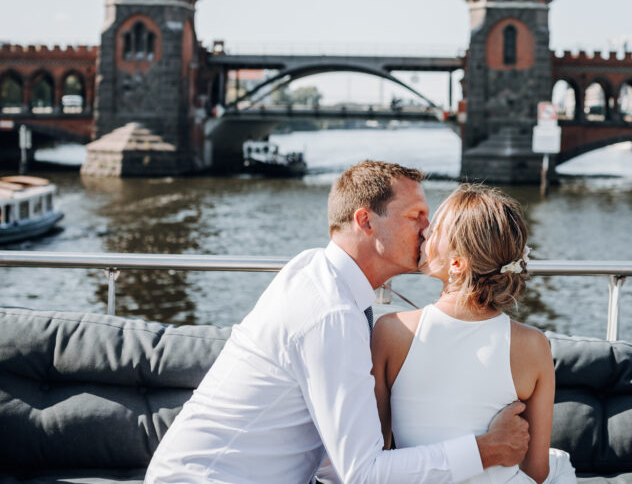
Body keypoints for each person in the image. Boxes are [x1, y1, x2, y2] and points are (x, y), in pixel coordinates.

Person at [146, 161, 530, 484]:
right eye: (416, 217)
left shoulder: (318, 272)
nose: (429, 231)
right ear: (365, 221)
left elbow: (338, 460)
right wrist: (487, 450)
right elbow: (362, 474)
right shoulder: (331, 314)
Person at [372, 184, 577, 484]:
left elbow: (378, 455)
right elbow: (537, 471)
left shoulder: (392, 331)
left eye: (436, 230)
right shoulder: (534, 346)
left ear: (457, 263)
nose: (425, 233)